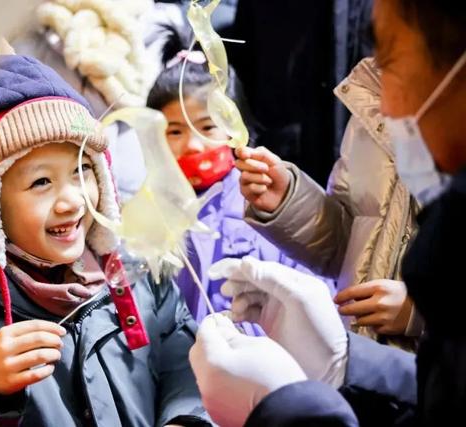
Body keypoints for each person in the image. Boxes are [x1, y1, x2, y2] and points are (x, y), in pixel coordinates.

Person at [189, 0, 466, 425]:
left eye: (394, 59)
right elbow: (354, 228)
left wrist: (419, 313)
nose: (390, 107)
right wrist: (289, 200)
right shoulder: (368, 102)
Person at [0, 54, 212, 427]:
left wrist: (185, 419)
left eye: (83, 170)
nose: (73, 200)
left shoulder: (139, 275)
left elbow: (179, 353)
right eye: (41, 182)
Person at [145, 25, 333, 332]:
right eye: (175, 131)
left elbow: (315, 284)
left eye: (207, 127)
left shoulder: (268, 199)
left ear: (237, 128)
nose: (192, 144)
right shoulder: (147, 212)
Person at [235, 58, 421, 342]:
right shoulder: (374, 91)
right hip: (361, 360)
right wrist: (289, 200)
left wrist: (420, 314)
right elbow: (354, 243)